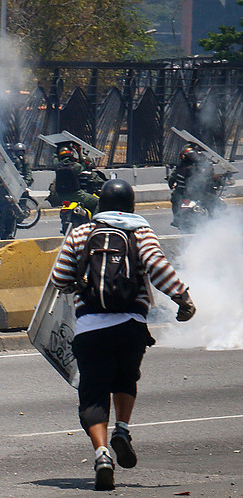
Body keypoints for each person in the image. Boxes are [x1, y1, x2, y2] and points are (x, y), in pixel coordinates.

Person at [49, 179, 196, 491]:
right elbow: (158, 268)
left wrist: (81, 282)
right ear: (131, 205)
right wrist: (182, 298)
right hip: (131, 325)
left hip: (90, 328)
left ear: (100, 204)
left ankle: (102, 454)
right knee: (126, 379)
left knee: (93, 393)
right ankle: (123, 429)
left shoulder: (80, 233)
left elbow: (60, 279)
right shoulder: (140, 232)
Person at [47, 144, 99, 213]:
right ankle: (93, 221)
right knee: (97, 202)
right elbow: (83, 164)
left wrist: (58, 146)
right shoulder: (75, 166)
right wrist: (79, 152)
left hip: (60, 195)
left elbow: (54, 157)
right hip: (75, 194)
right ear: (71, 154)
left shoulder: (57, 166)